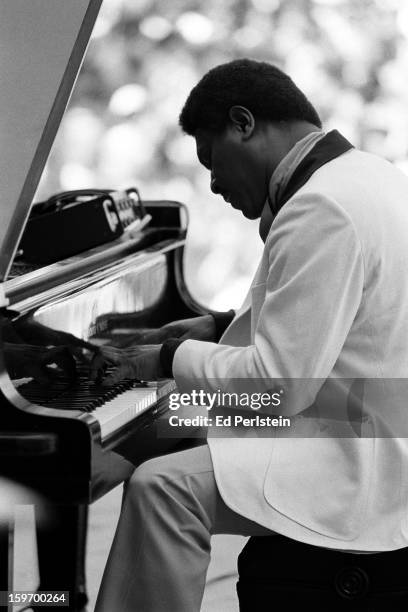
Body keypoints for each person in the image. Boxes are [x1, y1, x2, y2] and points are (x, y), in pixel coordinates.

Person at [94, 59, 408, 611]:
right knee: (167, 422)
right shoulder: (370, 175)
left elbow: (278, 389)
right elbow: (342, 324)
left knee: (164, 488)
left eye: (211, 161)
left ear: (244, 122)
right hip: (363, 418)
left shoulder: (322, 206)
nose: (212, 183)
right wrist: (217, 328)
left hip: (352, 456)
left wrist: (165, 357)